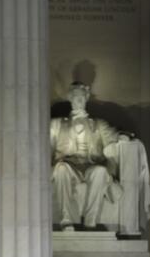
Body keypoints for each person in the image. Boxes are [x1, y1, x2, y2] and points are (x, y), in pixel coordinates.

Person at [50, 82, 126, 229]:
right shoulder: (57, 124)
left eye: (82, 97)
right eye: (75, 96)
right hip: (69, 166)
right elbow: (39, 141)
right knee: (60, 169)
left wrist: (124, 137)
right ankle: (67, 220)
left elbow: (113, 136)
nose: (79, 100)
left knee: (101, 171)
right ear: (70, 99)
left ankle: (90, 221)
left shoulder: (98, 124)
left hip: (91, 166)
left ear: (86, 98)